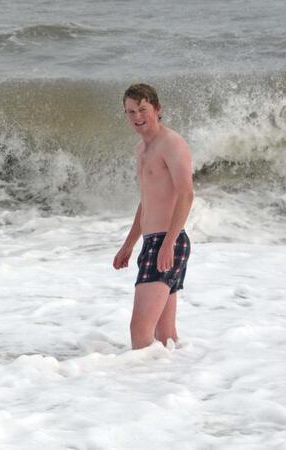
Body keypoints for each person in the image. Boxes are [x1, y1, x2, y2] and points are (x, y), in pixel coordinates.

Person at [113, 83, 194, 350]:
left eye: (143, 109)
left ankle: (142, 387)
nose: (137, 116)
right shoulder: (141, 150)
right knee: (165, 335)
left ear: (157, 109)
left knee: (140, 331)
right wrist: (128, 244)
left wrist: (168, 243)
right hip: (153, 243)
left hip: (167, 242)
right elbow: (146, 203)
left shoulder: (171, 143)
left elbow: (186, 195)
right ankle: (171, 383)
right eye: (130, 111)